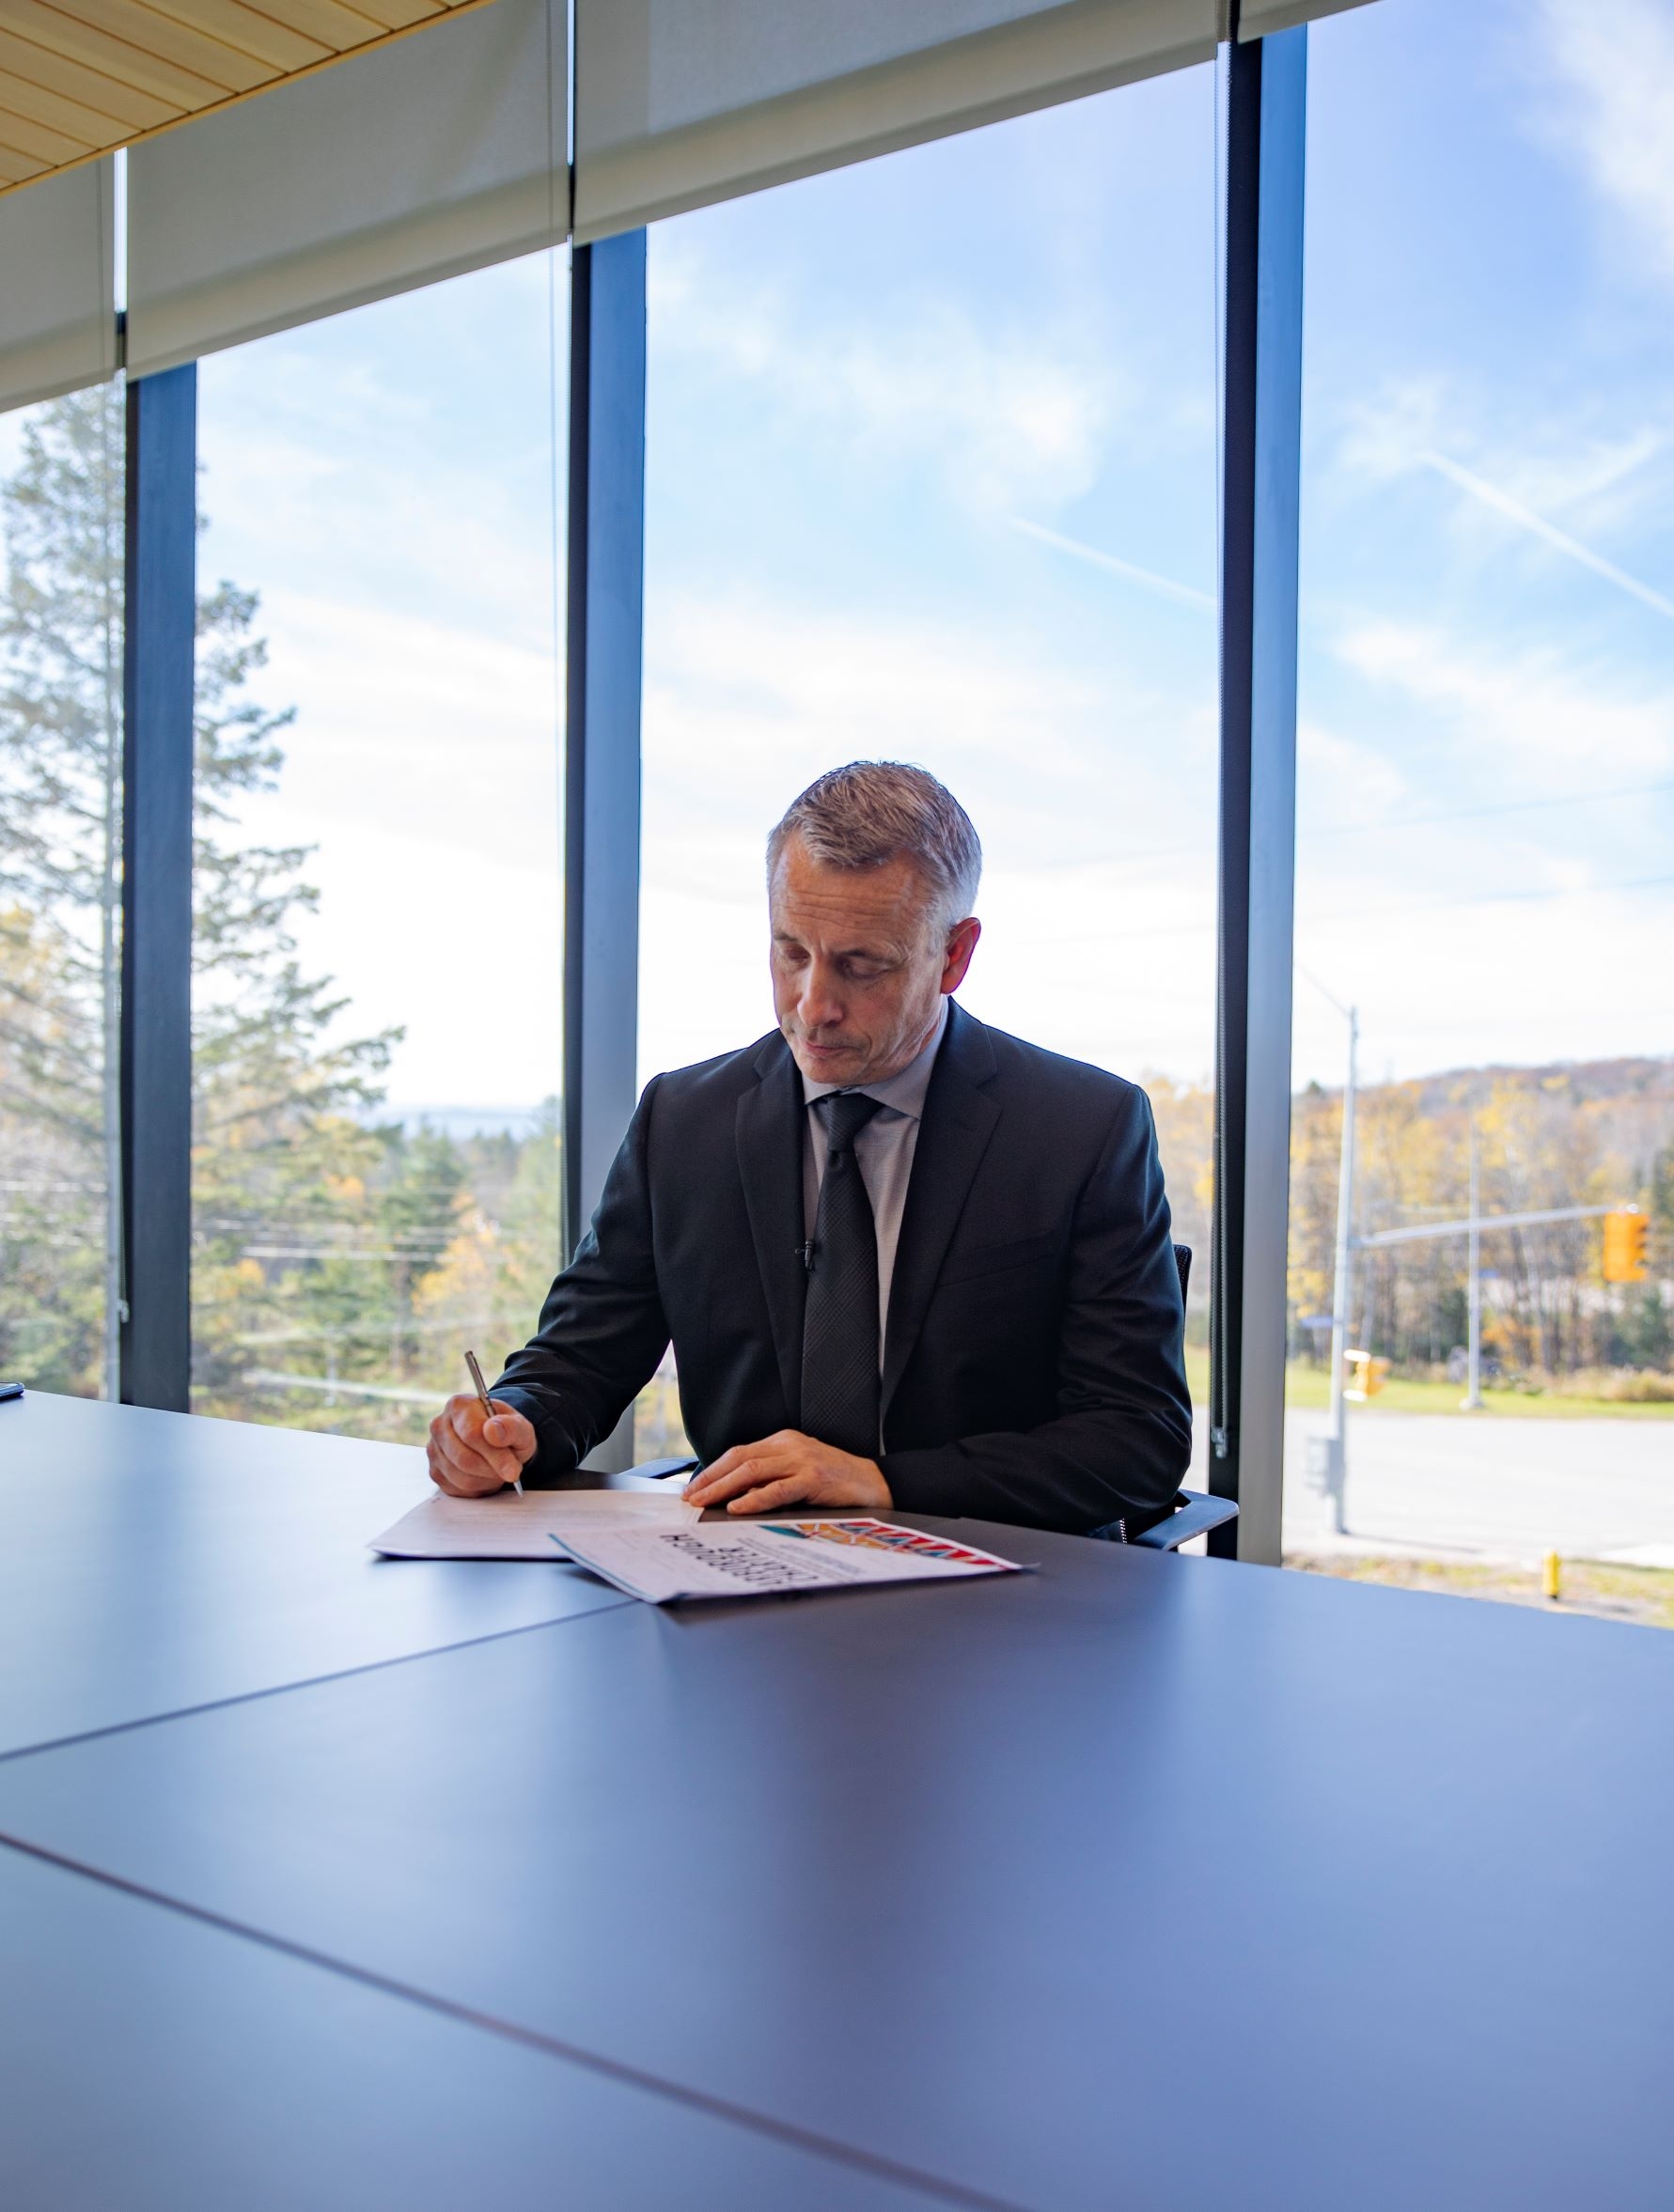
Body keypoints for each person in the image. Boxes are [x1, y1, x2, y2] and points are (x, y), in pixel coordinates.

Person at [427, 761, 1191, 1534]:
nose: (813, 1006)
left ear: (954, 956)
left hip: (994, 1585)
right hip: (735, 1576)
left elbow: (1136, 1439)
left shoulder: (1082, 1128)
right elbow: (581, 1360)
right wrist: (514, 1425)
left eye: (862, 965)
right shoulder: (683, 1119)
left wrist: (884, 1483)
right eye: (791, 951)